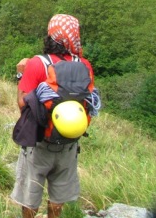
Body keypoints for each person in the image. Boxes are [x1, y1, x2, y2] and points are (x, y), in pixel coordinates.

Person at [11, 14, 95, 218]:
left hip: (39, 144)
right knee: (58, 200)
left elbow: (23, 104)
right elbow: (89, 104)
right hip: (69, 145)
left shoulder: (38, 64)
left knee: (30, 198)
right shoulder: (84, 65)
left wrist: (21, 74)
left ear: (50, 35)